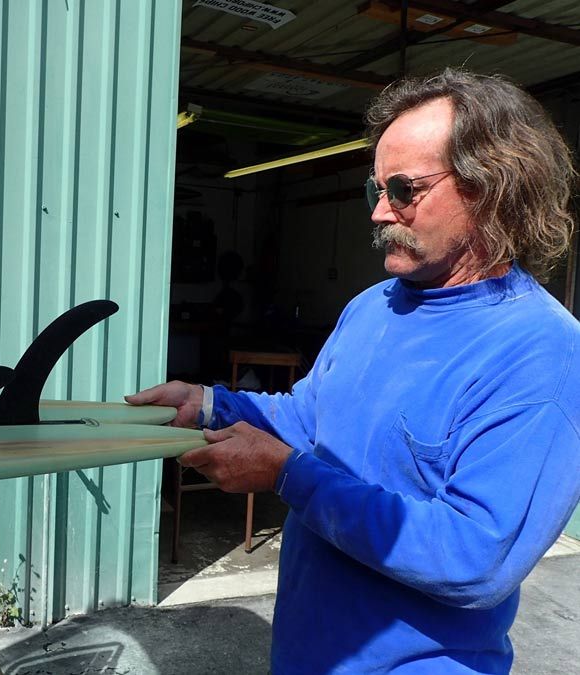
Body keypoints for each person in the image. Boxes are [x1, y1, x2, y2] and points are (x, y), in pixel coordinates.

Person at [127, 69, 580, 674]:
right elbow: (310, 416)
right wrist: (210, 404)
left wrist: (289, 476)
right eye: (376, 190)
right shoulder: (374, 306)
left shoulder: (542, 352)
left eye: (403, 189)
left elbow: (476, 559)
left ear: (493, 189)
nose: (379, 212)